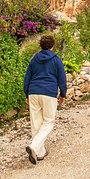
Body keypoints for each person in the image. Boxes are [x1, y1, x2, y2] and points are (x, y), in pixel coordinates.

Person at [23, 35, 67, 165]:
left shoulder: (34, 59)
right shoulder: (56, 60)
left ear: (40, 45)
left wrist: (27, 94)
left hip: (33, 92)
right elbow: (62, 78)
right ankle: (34, 147)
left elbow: (27, 77)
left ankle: (40, 153)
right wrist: (62, 94)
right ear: (52, 46)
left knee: (36, 122)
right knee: (48, 122)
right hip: (48, 93)